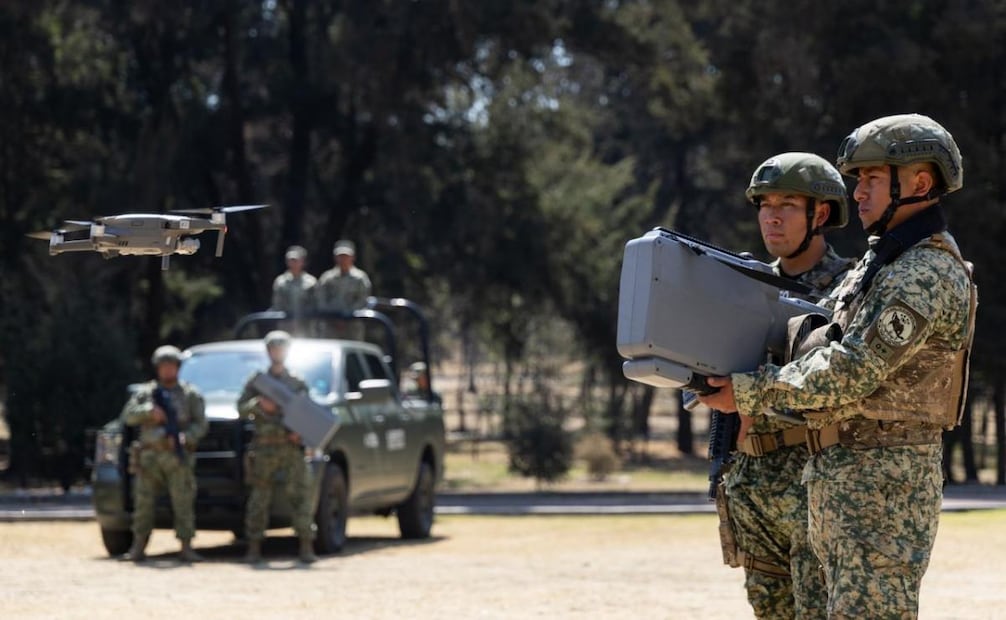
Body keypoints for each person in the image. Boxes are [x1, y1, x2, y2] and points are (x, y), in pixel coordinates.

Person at [698, 114, 976, 618]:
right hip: (841, 484)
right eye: (857, 180)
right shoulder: (884, 265)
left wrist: (750, 391)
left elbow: (851, 369)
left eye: (872, 178)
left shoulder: (925, 271)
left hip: (883, 488)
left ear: (919, 183)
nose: (859, 192)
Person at [719, 152, 854, 619]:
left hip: (814, 483)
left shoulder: (849, 288)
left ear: (820, 214)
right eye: (764, 204)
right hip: (755, 485)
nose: (771, 216)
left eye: (787, 205)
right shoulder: (744, 286)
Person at [237, 330, 317, 564]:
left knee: (301, 496)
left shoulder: (296, 382)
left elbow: (309, 413)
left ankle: (305, 545)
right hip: (264, 448)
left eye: (281, 348)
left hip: (290, 448)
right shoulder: (258, 381)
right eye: (273, 348)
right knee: (259, 498)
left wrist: (299, 432)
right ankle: (254, 547)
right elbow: (241, 408)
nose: (277, 352)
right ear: (268, 351)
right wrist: (259, 404)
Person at [122, 345, 207, 563]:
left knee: (183, 502)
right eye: (163, 366)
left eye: (171, 366)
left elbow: (201, 424)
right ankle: (138, 547)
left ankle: (186, 547)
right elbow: (128, 416)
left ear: (178, 368)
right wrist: (148, 412)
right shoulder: (146, 393)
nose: (167, 370)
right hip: (149, 457)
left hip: (177, 457)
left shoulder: (190, 394)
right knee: (144, 502)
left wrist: (185, 437)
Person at [315, 239, 372, 339]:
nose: (343, 259)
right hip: (330, 327)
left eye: (346, 256)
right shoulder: (327, 278)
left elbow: (363, 300)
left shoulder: (360, 278)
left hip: (353, 327)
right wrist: (334, 318)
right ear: (335, 258)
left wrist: (346, 318)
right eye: (340, 256)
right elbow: (321, 300)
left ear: (352, 257)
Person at [271, 245, 317, 319]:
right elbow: (277, 306)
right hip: (285, 325)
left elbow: (316, 306)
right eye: (290, 260)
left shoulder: (311, 282)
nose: (293, 263)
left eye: (295, 260)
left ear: (302, 261)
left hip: (306, 325)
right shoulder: (280, 282)